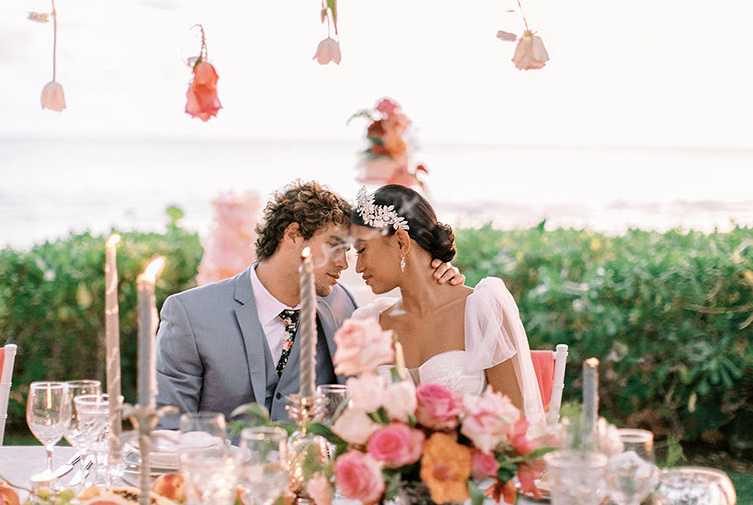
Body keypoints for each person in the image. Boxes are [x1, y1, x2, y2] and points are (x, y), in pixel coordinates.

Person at [155, 180, 463, 424]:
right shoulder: (191, 314)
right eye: (334, 246)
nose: (345, 265)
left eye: (351, 251)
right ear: (292, 235)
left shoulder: (343, 308)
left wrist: (435, 276)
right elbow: (168, 429)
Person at [349, 184, 547, 434]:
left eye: (362, 249)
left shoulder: (481, 310)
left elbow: (516, 424)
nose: (358, 266)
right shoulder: (369, 325)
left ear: (400, 241)